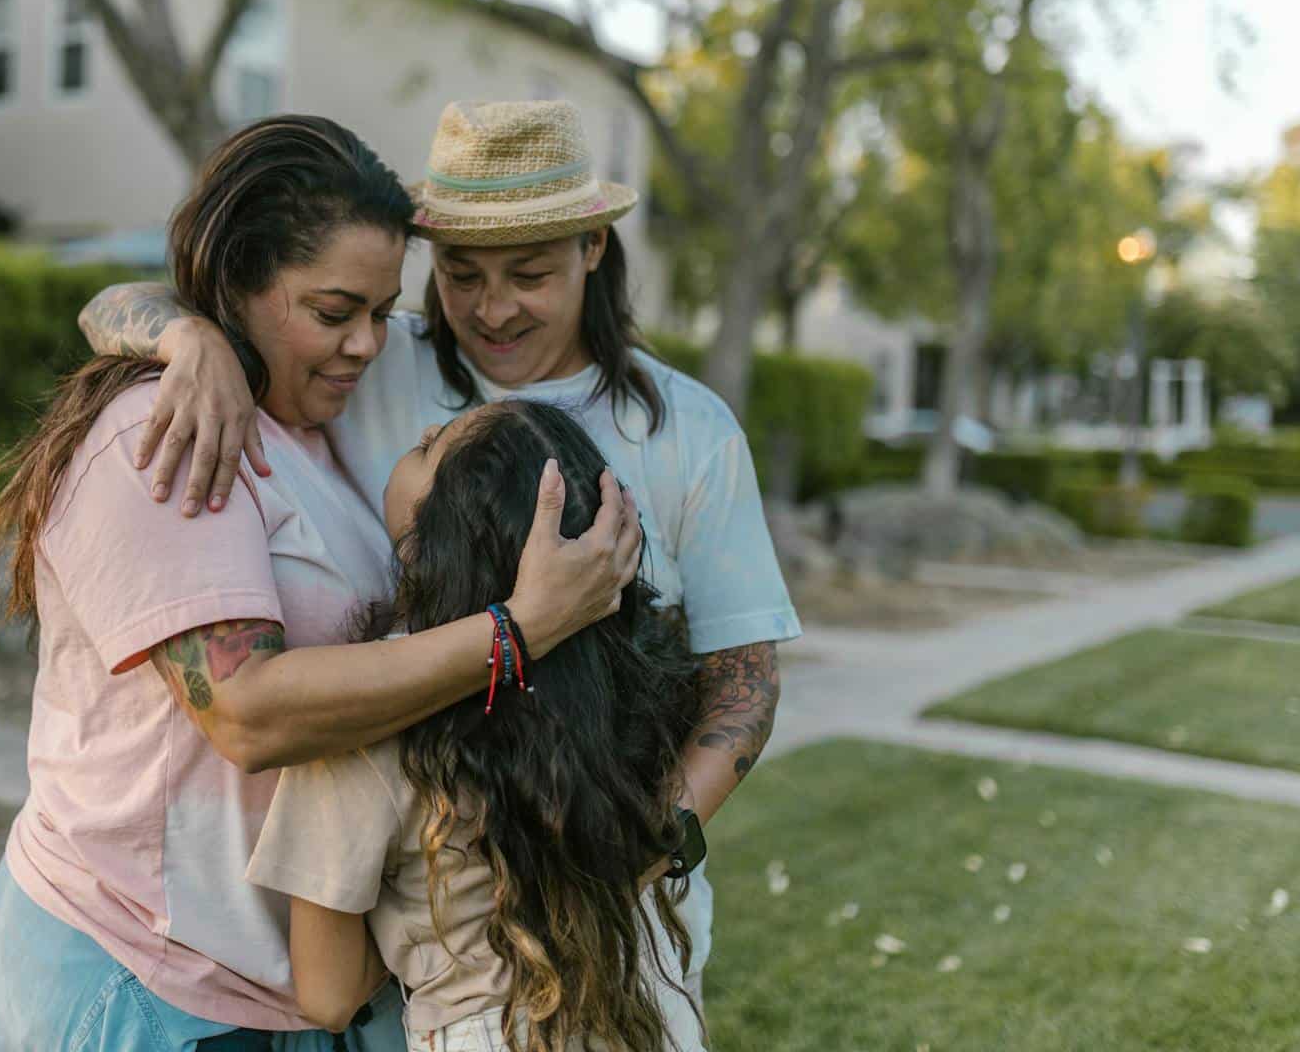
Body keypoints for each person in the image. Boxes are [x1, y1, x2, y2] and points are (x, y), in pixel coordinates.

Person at [78, 99, 801, 1024]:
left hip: (622, 928)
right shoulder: (376, 358)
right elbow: (111, 305)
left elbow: (744, 676)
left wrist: (635, 849)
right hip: (421, 955)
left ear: (592, 248)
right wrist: (191, 340)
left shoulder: (685, 429)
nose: (492, 309)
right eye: (462, 274)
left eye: (530, 273)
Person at [0, 114, 642, 1052]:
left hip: (297, 989)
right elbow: (247, 712)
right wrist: (519, 630)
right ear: (238, 290)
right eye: (336, 313)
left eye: (381, 311)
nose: (370, 344)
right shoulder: (161, 432)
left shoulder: (322, 429)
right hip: (150, 978)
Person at [248, 398, 709, 1051]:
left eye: (434, 447)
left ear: (441, 536)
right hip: (646, 1014)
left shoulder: (362, 727)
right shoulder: (623, 691)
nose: (424, 428)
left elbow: (329, 994)